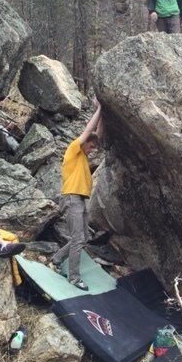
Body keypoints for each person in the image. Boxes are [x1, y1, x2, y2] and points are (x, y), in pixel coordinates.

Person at [52, 99, 103, 291]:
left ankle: (57, 259)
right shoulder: (74, 149)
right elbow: (89, 130)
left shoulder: (83, 156)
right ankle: (74, 277)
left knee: (83, 238)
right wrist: (99, 108)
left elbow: (97, 134)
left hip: (79, 199)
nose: (91, 151)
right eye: (90, 147)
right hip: (71, 198)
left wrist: (104, 114)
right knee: (78, 238)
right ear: (84, 144)